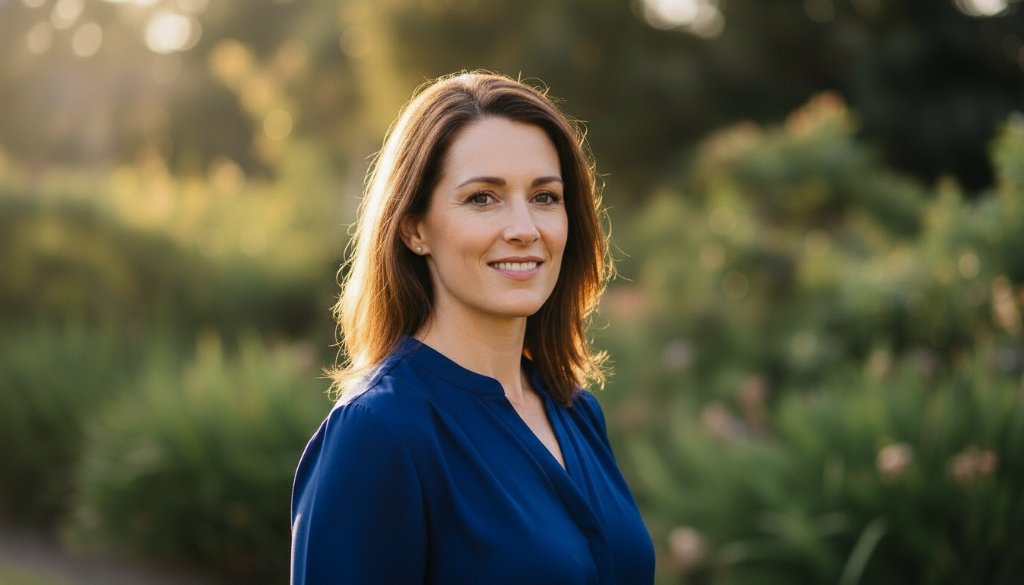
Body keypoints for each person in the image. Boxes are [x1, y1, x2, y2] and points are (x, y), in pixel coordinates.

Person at [290, 71, 655, 584]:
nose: (525, 229)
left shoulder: (576, 410)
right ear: (414, 228)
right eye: (483, 198)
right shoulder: (377, 433)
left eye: (545, 197)